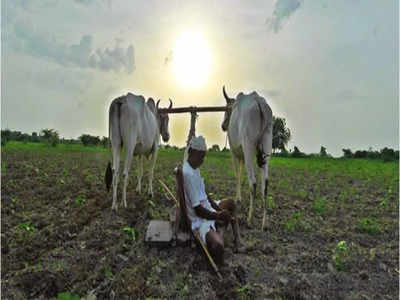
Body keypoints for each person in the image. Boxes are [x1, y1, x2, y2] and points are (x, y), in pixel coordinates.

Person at [183, 135, 239, 265]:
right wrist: (217, 215)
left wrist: (218, 209)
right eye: (200, 156)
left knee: (231, 203)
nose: (202, 160)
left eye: (204, 156)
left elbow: (205, 195)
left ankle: (237, 242)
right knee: (218, 246)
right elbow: (198, 210)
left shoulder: (194, 169)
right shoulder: (188, 174)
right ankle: (220, 232)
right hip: (200, 220)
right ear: (191, 152)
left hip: (207, 209)